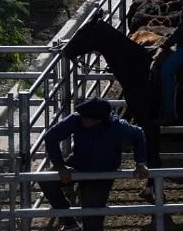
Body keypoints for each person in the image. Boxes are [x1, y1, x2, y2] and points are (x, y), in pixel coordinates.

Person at [41, 97, 149, 231]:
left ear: (100, 119)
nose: (85, 120)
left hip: (103, 172)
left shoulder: (117, 126)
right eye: (84, 117)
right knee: (47, 180)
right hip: (79, 162)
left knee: (91, 217)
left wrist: (140, 162)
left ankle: (76, 223)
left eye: (90, 118)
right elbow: (51, 137)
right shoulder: (77, 119)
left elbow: (138, 134)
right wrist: (60, 166)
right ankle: (69, 221)